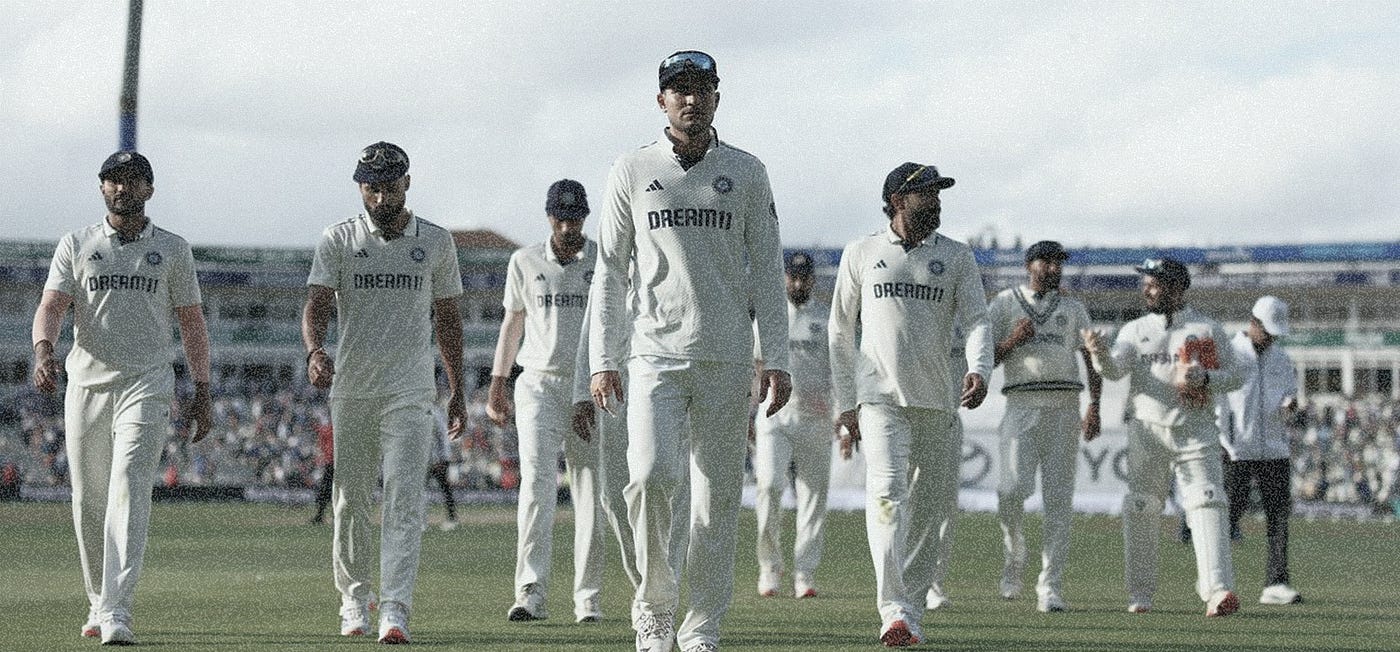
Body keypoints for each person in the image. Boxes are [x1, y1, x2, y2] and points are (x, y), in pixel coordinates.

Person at [589, 49, 792, 652]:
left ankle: (702, 625)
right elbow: (608, 271)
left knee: (717, 497)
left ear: (716, 98)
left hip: (728, 356)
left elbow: (767, 269)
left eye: (701, 88)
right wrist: (603, 358)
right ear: (661, 100)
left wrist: (774, 354)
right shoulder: (632, 168)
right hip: (653, 352)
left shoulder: (748, 172)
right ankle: (653, 609)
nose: (690, 98)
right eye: (678, 88)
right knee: (650, 477)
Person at [30, 151, 213, 645]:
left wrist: (203, 387)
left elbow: (191, 322)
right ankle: (99, 598)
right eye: (112, 180)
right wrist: (44, 350)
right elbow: (51, 305)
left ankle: (116, 609)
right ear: (101, 188)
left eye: (131, 181)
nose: (121, 189)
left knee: (129, 485)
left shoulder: (173, 249)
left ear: (149, 190)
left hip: (146, 382)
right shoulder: (78, 243)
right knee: (89, 497)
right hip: (87, 383)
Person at [302, 141, 466, 644]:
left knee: (403, 498)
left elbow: (449, 319)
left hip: (411, 392)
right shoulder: (339, 239)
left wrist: (457, 387)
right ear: (360, 186)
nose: (378, 198)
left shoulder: (435, 243)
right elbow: (316, 302)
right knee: (350, 498)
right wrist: (314, 350)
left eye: (388, 187)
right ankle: (354, 600)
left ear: (407, 183)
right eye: (370, 188)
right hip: (353, 389)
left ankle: (395, 608)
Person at [828, 162, 993, 647]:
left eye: (939, 194)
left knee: (927, 511)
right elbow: (840, 330)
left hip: (938, 402)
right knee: (886, 494)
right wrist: (846, 400)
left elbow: (979, 320)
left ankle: (912, 609)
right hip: (879, 399)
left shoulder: (958, 257)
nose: (937, 202)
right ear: (898, 199)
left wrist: (979, 368)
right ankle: (893, 609)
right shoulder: (862, 252)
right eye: (927, 193)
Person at [1083, 257, 1243, 617]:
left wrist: (1206, 379)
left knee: (1207, 500)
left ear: (1177, 287)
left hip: (1196, 426)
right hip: (1147, 428)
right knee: (1141, 506)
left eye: (1155, 282)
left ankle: (1217, 591)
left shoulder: (1206, 329)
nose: (1147, 288)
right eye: (1146, 282)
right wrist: (1098, 354)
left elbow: (1235, 375)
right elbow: (1114, 369)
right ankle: (1140, 594)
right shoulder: (1134, 329)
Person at [487, 179, 610, 624]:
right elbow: (512, 323)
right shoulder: (525, 261)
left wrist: (595, 384)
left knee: (591, 492)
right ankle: (531, 591)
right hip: (537, 382)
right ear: (548, 216)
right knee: (537, 485)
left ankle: (588, 598)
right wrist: (499, 381)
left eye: (575, 218)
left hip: (590, 388)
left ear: (585, 217)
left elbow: (610, 327)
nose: (567, 226)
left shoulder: (602, 260)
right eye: (560, 217)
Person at [986, 240, 1102, 612]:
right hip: (1021, 404)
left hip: (1064, 407)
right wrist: (1012, 341)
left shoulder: (1073, 307)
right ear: (1028, 265)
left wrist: (1095, 405)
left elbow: (1091, 358)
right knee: (1011, 490)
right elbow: (984, 357)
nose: (1054, 269)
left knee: (1059, 502)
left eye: (1058, 263)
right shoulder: (1004, 303)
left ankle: (1049, 586)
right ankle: (1014, 555)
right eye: (1046, 262)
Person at [752, 251, 833, 599]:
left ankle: (805, 573)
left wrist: (841, 414)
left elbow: (838, 369)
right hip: (774, 416)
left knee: (813, 496)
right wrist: (749, 413)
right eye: (792, 277)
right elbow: (755, 366)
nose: (798, 284)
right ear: (784, 277)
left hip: (816, 418)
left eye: (804, 277)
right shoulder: (769, 316)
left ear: (812, 279)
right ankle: (769, 568)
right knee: (769, 487)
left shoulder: (825, 318)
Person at [1218, 295, 1303, 605]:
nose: (1271, 339)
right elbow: (1219, 401)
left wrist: (1289, 404)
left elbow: (1288, 394)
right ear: (1252, 323)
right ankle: (1217, 580)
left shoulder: (1281, 358)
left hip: (1275, 449)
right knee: (1229, 517)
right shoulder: (1228, 353)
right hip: (1236, 449)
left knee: (1279, 518)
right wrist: (1224, 441)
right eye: (1267, 331)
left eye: (1275, 334)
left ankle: (1276, 583)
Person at [310, 413, 334, 525]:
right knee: (331, 490)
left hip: (330, 462)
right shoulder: (331, 430)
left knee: (326, 489)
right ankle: (323, 515)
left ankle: (320, 515)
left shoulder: (326, 430)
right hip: (334, 462)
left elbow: (321, 445)